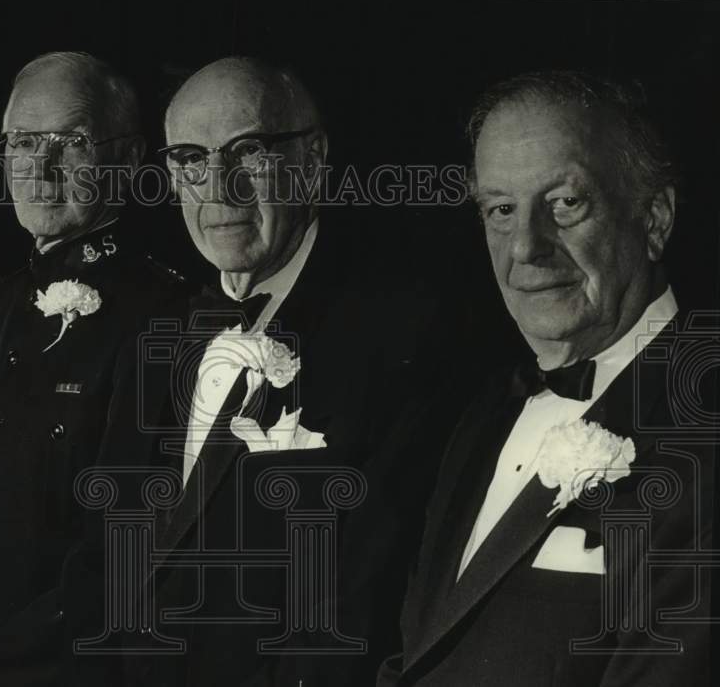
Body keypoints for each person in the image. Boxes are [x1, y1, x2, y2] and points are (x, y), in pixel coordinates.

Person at [111, 56, 441, 687]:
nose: (218, 187)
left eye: (248, 152)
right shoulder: (160, 327)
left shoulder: (399, 338)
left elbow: (363, 602)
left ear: (313, 159)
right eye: (190, 159)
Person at [384, 71, 715, 686]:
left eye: (565, 202)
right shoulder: (480, 413)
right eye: (502, 210)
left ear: (654, 218)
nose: (527, 247)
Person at [0, 51, 186, 687]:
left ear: (130, 156)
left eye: (72, 141)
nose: (42, 166)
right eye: (24, 142)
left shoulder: (161, 313)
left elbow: (117, 547)